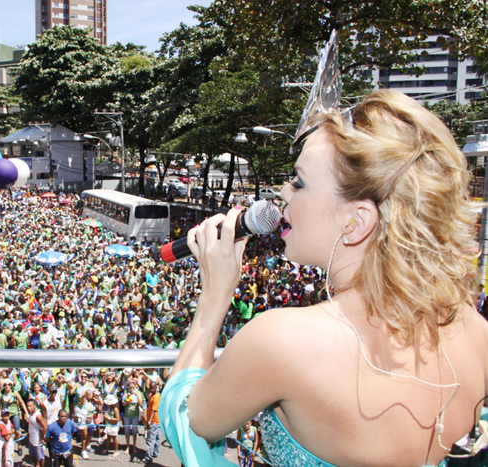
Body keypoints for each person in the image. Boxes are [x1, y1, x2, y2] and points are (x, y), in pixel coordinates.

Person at [159, 90, 488, 466]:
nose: (282, 193)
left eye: (298, 182)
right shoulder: (473, 329)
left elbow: (185, 421)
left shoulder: (282, 340)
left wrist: (214, 297)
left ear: (356, 222)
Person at [142, 381, 161, 463]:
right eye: (151, 388)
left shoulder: (156, 397)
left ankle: (148, 458)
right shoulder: (154, 396)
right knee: (157, 437)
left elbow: (154, 410)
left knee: (150, 440)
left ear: (156, 388)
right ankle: (156, 452)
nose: (152, 389)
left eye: (154, 388)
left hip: (153, 421)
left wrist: (149, 422)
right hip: (156, 422)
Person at [26, 400, 47, 467]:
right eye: (27, 406)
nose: (28, 408)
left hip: (37, 442)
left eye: (30, 406)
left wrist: (41, 437)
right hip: (31, 439)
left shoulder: (38, 416)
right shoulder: (31, 413)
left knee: (40, 458)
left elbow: (45, 427)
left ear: (34, 406)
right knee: (33, 456)